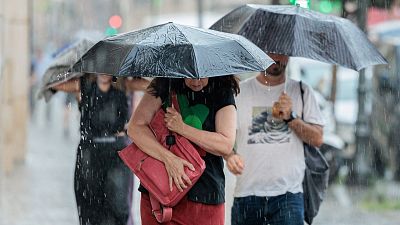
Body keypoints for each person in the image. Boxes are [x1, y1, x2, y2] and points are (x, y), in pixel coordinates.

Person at [226, 53, 324, 225]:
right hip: (247, 194)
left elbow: (317, 138)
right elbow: (225, 137)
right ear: (258, 51)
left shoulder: (302, 91)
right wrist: (230, 156)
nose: (275, 57)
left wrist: (291, 118)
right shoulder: (239, 92)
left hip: (289, 196)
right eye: (269, 51)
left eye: (281, 52)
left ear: (289, 55)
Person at [127, 76, 239, 225]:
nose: (196, 82)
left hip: (204, 196)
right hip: (159, 196)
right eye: (190, 76)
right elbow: (135, 128)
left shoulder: (221, 88)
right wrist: (169, 159)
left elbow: (225, 144)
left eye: (201, 76)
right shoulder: (164, 82)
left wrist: (183, 129)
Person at [52, 74, 144, 225]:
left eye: (109, 66)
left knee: (119, 208)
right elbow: (52, 83)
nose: (104, 71)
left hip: (118, 151)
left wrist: (133, 74)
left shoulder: (125, 85)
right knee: (89, 207)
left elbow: (152, 85)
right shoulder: (83, 85)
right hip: (89, 151)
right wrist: (75, 72)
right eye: (100, 64)